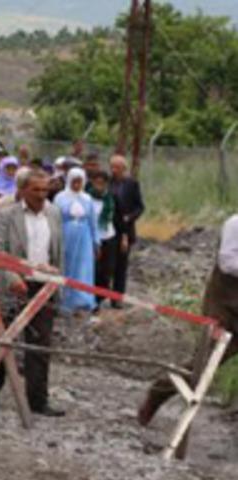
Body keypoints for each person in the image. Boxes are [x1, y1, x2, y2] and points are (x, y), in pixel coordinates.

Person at [137, 215, 238, 449]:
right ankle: (159, 392)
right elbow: (227, 261)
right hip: (224, 307)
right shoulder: (234, 224)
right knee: (204, 365)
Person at [0, 169, 65, 417]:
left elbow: (58, 251)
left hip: (44, 285)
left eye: (45, 190)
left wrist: (57, 280)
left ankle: (38, 401)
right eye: (36, 190)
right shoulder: (6, 214)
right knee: (4, 339)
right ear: (22, 191)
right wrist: (12, 275)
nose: (42, 195)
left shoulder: (54, 213)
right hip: (14, 284)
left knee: (40, 344)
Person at [54, 168, 99, 313]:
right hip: (66, 235)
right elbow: (55, 219)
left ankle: (83, 300)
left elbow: (93, 221)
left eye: (80, 181)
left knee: (83, 267)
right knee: (67, 266)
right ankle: (66, 300)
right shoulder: (60, 197)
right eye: (74, 181)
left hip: (84, 237)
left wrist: (96, 242)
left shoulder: (87, 198)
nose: (77, 184)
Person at [109, 155, 144, 308]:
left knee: (121, 267)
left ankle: (117, 298)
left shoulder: (131, 184)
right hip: (108, 229)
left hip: (125, 231)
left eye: (117, 167)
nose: (113, 170)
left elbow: (140, 207)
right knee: (107, 265)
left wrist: (129, 217)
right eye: (112, 167)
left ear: (124, 168)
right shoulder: (107, 183)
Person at [89, 170, 117, 312]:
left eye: (103, 182)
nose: (99, 185)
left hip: (109, 237)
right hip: (93, 239)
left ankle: (101, 297)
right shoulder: (87, 198)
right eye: (97, 182)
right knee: (94, 270)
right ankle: (93, 301)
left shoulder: (111, 198)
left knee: (107, 271)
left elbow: (118, 219)